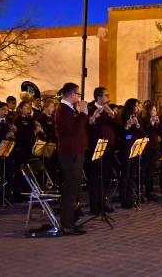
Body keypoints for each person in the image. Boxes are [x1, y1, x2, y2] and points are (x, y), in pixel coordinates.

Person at [54, 82, 89, 235]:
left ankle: (72, 220)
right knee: (70, 189)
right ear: (71, 94)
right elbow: (71, 130)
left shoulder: (70, 109)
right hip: (70, 153)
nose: (79, 97)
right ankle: (67, 224)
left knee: (75, 188)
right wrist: (83, 114)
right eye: (78, 94)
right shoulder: (63, 109)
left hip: (76, 151)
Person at [140, 101, 160, 201]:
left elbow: (160, 132)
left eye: (156, 110)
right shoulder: (144, 121)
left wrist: (157, 124)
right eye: (153, 110)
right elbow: (144, 133)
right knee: (145, 169)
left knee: (151, 170)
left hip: (154, 147)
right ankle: (142, 192)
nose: (155, 112)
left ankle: (149, 192)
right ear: (149, 111)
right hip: (146, 148)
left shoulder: (156, 120)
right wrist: (151, 124)